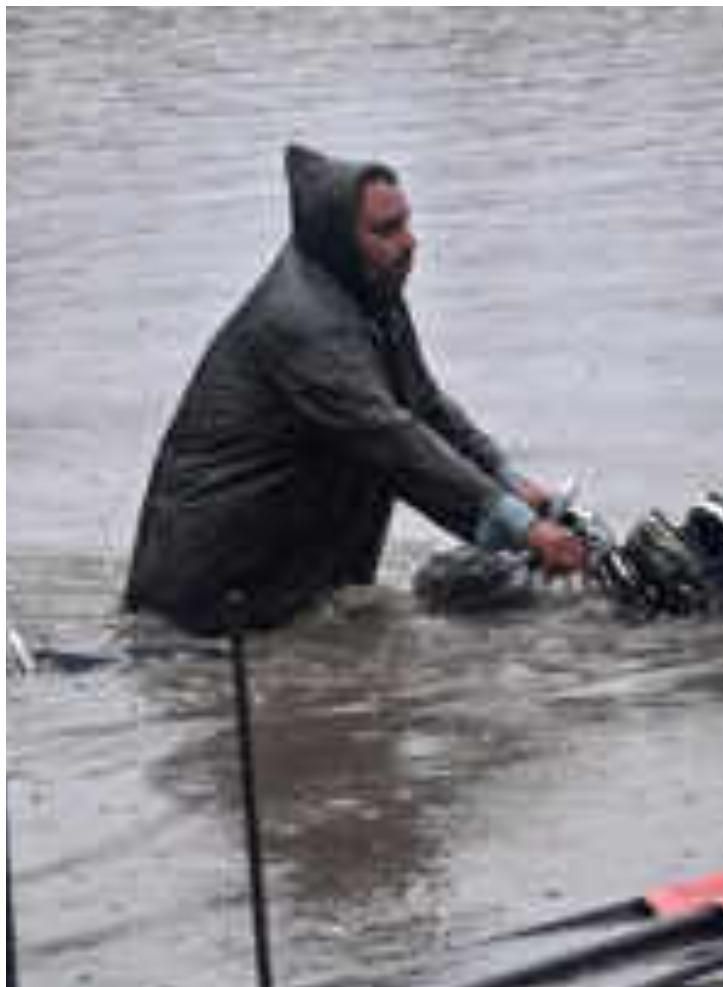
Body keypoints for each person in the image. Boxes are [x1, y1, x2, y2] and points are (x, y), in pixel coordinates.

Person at [124, 144, 584, 636]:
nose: (410, 243)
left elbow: (423, 405)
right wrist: (522, 526)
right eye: (386, 231)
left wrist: (508, 479)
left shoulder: (371, 292)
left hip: (290, 573)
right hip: (208, 597)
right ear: (336, 240)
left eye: (407, 223)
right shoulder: (303, 324)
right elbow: (392, 439)